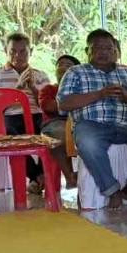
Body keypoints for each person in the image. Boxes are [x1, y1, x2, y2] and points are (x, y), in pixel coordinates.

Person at [58, 29, 127, 208]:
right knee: (88, 142)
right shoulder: (75, 72)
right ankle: (111, 190)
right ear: (88, 51)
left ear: (115, 52)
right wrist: (100, 94)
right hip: (92, 125)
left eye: (108, 48)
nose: (103, 52)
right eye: (97, 48)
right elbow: (64, 103)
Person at [0, 31, 53, 187]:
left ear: (31, 51)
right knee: (12, 139)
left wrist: (32, 88)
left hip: (36, 115)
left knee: (53, 135)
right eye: (13, 51)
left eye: (23, 51)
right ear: (6, 51)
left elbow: (46, 105)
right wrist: (17, 88)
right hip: (10, 116)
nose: (18, 55)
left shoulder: (40, 75)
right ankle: (37, 176)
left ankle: (38, 177)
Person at [38, 53, 80, 189]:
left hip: (77, 122)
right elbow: (49, 107)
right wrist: (74, 103)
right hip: (54, 122)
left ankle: (84, 176)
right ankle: (70, 177)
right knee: (57, 137)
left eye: (68, 65)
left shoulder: (81, 88)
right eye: (60, 65)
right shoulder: (48, 89)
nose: (63, 68)